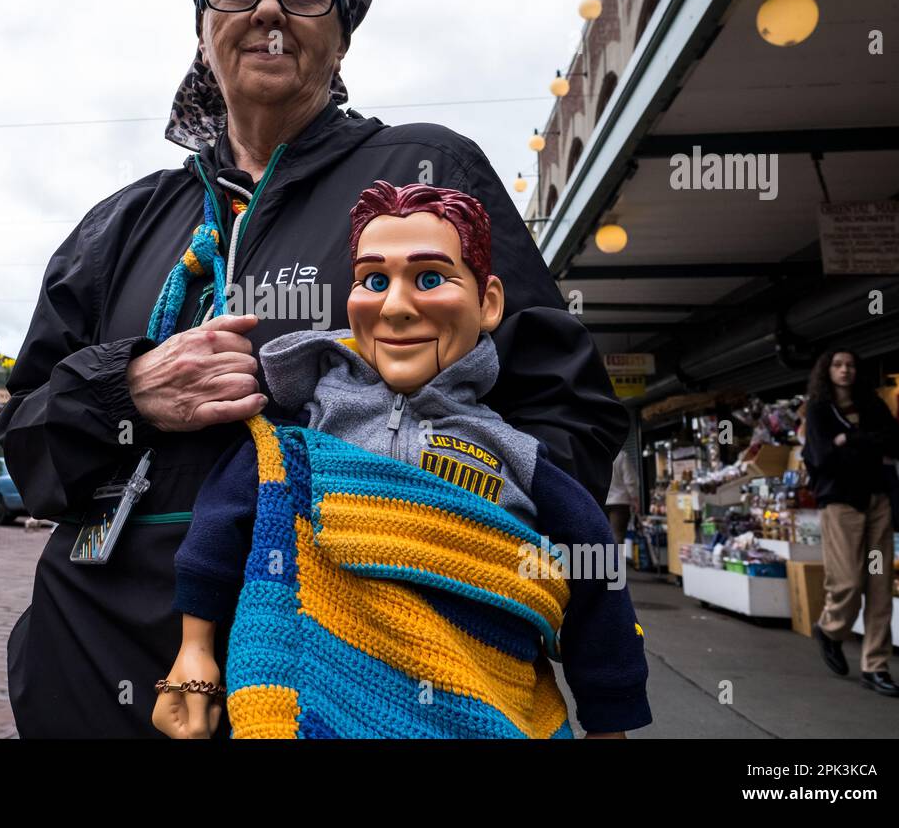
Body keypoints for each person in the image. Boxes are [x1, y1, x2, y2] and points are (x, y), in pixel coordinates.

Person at [0, 0, 629, 738]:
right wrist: (126, 391)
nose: (266, 8)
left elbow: (568, 411)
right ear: (202, 24)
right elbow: (24, 442)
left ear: (342, 31)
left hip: (362, 678)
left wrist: (441, 544)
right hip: (96, 660)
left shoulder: (425, 172)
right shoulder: (119, 225)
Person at [151, 183, 651, 739]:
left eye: (431, 278)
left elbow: (594, 575)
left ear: (487, 303)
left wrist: (611, 722)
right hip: (307, 705)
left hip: (486, 707)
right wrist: (192, 657)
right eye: (374, 280)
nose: (395, 306)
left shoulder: (517, 456)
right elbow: (217, 532)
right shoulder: (290, 443)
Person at [803, 348, 899, 698]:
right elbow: (821, 457)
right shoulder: (819, 411)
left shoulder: (873, 405)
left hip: (878, 500)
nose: (845, 370)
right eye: (837, 365)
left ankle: (876, 666)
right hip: (841, 503)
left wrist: (849, 439)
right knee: (848, 580)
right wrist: (864, 443)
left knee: (880, 588)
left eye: (850, 365)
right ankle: (831, 630)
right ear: (827, 370)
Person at [605, 449, 641, 547]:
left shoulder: (596, 456)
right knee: (618, 536)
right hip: (620, 502)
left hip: (601, 502)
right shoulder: (621, 456)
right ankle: (618, 562)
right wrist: (635, 500)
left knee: (603, 537)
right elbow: (630, 481)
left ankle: (606, 561)